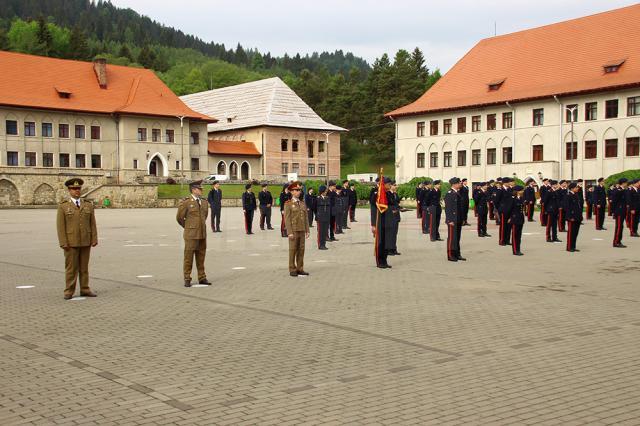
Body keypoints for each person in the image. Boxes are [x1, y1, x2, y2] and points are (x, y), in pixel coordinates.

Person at [57, 178, 98, 300]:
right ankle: (69, 290)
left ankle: (85, 289)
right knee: (71, 268)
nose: (77, 191)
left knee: (84, 268)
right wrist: (63, 242)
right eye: (74, 189)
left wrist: (94, 238)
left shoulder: (88, 205)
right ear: (69, 190)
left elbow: (92, 223)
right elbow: (60, 226)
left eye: (78, 189)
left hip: (85, 240)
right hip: (71, 242)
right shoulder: (63, 206)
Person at [177, 180, 210, 287]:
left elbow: (205, 215)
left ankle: (202, 277)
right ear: (194, 190)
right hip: (191, 234)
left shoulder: (204, 202)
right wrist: (188, 227)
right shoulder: (186, 202)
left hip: (202, 233)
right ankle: (187, 278)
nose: (201, 190)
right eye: (200, 189)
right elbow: (180, 218)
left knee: (201, 257)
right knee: (188, 257)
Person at [284, 181, 310, 276]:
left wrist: (307, 230)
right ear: (292, 192)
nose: (299, 192)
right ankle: (292, 269)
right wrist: (289, 232)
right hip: (294, 230)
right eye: (297, 190)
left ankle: (300, 268)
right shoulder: (288, 204)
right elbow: (287, 219)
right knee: (293, 249)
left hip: (302, 229)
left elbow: (306, 217)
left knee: (301, 249)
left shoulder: (302, 203)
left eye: (299, 190)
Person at [371, 177, 392, 269]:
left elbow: (392, 205)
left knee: (386, 242)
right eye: (389, 184)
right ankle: (380, 261)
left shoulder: (388, 194)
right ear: (384, 185)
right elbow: (373, 209)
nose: (390, 186)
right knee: (380, 242)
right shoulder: (377, 194)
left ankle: (385, 260)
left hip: (387, 221)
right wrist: (373, 224)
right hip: (379, 221)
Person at [445, 177, 465, 262]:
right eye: (458, 183)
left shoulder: (457, 193)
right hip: (452, 220)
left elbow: (460, 208)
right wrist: (449, 220)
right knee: (452, 238)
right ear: (454, 184)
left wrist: (463, 218)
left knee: (457, 238)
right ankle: (450, 255)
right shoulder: (450, 194)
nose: (460, 184)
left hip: (458, 219)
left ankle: (457, 254)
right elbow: (448, 208)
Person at [564, 182, 583, 252]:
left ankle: (573, 246)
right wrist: (570, 217)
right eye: (576, 187)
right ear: (572, 188)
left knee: (575, 233)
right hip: (572, 217)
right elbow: (567, 207)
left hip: (577, 217)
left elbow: (578, 207)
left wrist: (580, 216)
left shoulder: (576, 195)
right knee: (571, 233)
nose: (577, 188)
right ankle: (569, 247)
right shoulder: (568, 196)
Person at [612, 178, 628, 247]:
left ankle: (619, 241)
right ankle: (616, 242)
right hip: (619, 211)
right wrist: (614, 212)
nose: (627, 184)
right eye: (626, 183)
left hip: (623, 211)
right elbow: (614, 202)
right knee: (618, 227)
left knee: (621, 227)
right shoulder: (618, 190)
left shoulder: (623, 190)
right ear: (623, 183)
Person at [498, 177, 514, 246]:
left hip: (510, 210)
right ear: (505, 183)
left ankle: (507, 240)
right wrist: (500, 208)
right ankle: (502, 240)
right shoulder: (500, 190)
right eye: (508, 182)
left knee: (509, 226)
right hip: (503, 211)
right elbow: (496, 201)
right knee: (503, 226)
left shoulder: (510, 189)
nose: (509, 183)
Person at [509, 185, 525, 255]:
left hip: (520, 218)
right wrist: (510, 218)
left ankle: (518, 249)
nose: (523, 191)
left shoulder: (521, 198)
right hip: (515, 218)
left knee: (519, 235)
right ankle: (515, 250)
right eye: (522, 190)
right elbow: (509, 209)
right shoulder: (512, 199)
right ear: (518, 191)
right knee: (515, 235)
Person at [387, 181, 401, 256]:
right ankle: (389, 249)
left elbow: (397, 203)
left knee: (395, 233)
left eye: (396, 185)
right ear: (390, 186)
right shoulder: (388, 194)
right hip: (391, 216)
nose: (396, 186)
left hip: (396, 215)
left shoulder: (395, 194)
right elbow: (389, 204)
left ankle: (394, 249)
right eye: (394, 185)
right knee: (390, 234)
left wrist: (401, 208)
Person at [315, 185, 330, 250]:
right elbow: (315, 208)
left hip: (326, 217)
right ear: (322, 191)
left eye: (326, 191)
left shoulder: (327, 198)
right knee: (320, 232)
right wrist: (317, 215)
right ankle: (320, 245)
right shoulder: (318, 199)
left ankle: (323, 244)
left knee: (325, 231)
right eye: (325, 191)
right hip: (320, 217)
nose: (326, 192)